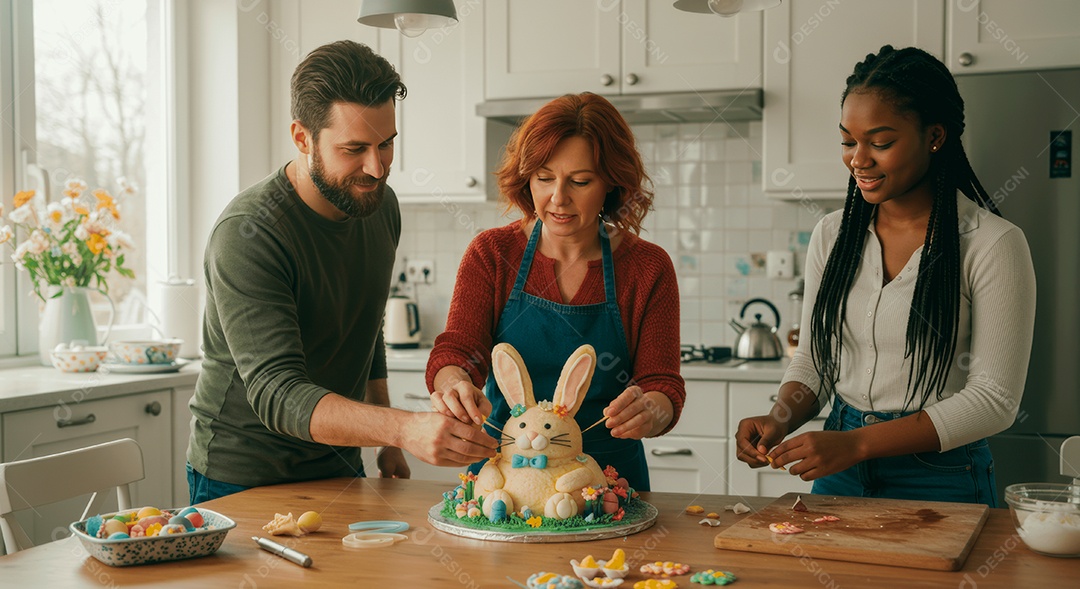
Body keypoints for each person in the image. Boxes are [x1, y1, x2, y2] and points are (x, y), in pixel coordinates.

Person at [186, 40, 496, 503]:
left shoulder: (378, 204)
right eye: (354, 149)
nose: (377, 167)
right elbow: (279, 394)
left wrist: (388, 437)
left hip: (339, 462)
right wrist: (405, 429)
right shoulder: (249, 234)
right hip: (242, 475)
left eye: (387, 144)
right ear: (302, 138)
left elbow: (366, 324)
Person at [735, 46, 1037, 507]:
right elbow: (815, 361)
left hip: (941, 472)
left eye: (880, 142)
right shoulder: (832, 234)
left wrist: (858, 444)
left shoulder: (992, 244)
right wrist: (780, 417)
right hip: (840, 464)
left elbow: (994, 400)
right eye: (847, 141)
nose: (858, 159)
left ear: (934, 136)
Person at [425, 93, 685, 491]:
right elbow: (457, 353)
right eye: (544, 178)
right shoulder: (492, 254)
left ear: (612, 183)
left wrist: (654, 409)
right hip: (506, 484)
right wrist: (453, 385)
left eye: (580, 181)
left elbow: (661, 381)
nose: (558, 198)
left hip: (609, 483)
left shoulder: (647, 267)